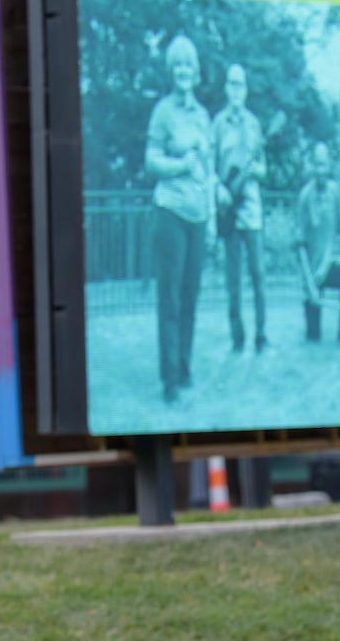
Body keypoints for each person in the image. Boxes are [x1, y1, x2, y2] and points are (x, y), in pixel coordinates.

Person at [144, 34, 216, 403]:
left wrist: (213, 218)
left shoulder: (203, 116)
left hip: (198, 214)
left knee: (190, 296)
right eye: (178, 65)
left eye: (189, 64)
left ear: (196, 71)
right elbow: (150, 160)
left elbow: (209, 171)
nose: (184, 71)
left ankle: (185, 368)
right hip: (169, 211)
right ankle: (169, 378)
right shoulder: (163, 112)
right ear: (171, 71)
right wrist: (181, 165)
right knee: (169, 298)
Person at [211, 63, 269, 353]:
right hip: (228, 211)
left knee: (258, 274)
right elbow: (209, 168)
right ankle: (237, 338)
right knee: (232, 278)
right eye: (232, 84)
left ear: (246, 90)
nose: (236, 90)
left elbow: (263, 167)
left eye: (241, 85)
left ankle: (261, 335)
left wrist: (254, 172)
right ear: (226, 88)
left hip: (253, 209)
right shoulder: (218, 124)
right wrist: (219, 189)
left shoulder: (255, 124)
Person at [295, 142, 340, 344]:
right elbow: (300, 246)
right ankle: (312, 322)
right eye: (317, 165)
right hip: (311, 275)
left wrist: (336, 258)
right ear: (312, 166)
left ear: (329, 166)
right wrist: (310, 284)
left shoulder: (335, 193)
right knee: (313, 337)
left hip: (328, 267)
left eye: (324, 165)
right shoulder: (304, 197)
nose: (320, 170)